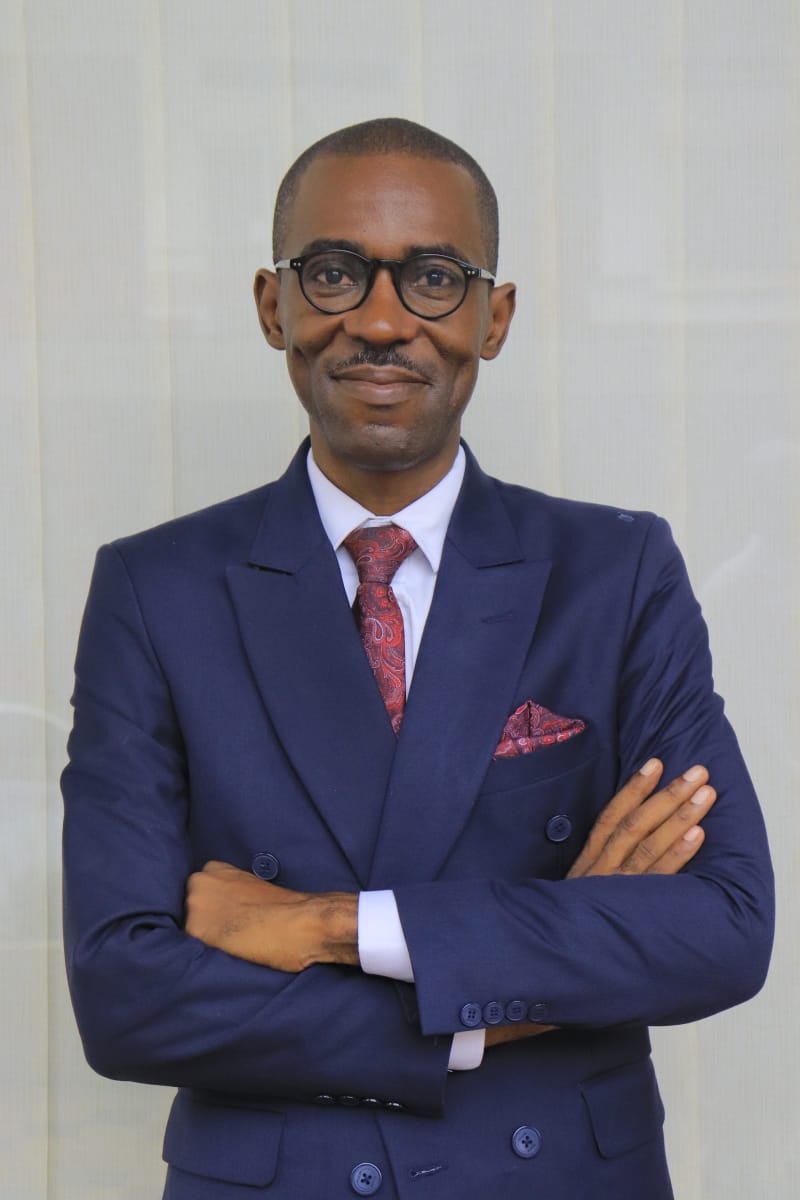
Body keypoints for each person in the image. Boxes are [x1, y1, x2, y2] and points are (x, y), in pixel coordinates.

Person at [62, 118, 773, 1200]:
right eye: (333, 273)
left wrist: (329, 926)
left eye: (435, 278)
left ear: (495, 317)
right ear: (273, 305)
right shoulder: (155, 590)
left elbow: (721, 928)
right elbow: (125, 996)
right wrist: (502, 999)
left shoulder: (616, 573)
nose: (383, 320)